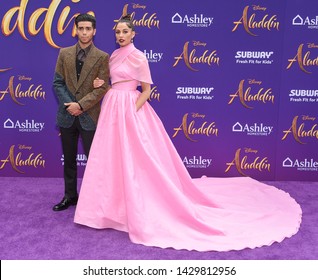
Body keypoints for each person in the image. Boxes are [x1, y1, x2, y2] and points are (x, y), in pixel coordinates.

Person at [74, 15, 302, 251]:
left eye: (125, 32)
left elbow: (147, 90)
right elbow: (115, 83)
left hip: (131, 110)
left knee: (139, 160)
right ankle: (111, 208)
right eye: (118, 32)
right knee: (111, 158)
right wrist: (103, 85)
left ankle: (137, 204)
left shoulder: (139, 57)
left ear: (133, 34)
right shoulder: (113, 55)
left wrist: (132, 110)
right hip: (112, 107)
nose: (120, 35)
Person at [52, 13, 110, 211]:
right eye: (81, 28)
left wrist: (81, 105)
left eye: (88, 29)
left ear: (94, 31)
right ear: (75, 29)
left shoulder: (102, 57)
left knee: (94, 161)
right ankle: (70, 196)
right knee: (69, 159)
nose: (84, 32)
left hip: (89, 116)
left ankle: (94, 200)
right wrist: (71, 104)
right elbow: (57, 83)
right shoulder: (64, 53)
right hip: (67, 115)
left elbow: (102, 87)